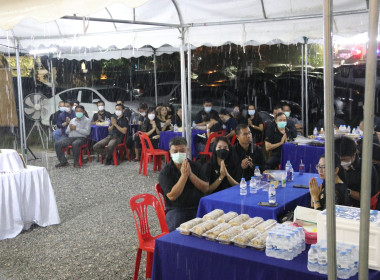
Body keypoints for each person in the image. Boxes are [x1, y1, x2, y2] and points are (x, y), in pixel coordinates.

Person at [158, 137, 208, 231]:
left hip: (197, 206)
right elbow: (172, 196)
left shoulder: (196, 166)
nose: (178, 154)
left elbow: (205, 188)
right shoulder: (166, 172)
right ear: (170, 153)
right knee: (177, 227)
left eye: (182, 151)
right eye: (175, 151)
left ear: (187, 151)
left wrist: (191, 175)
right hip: (176, 209)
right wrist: (184, 176)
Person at [335, 136, 379, 207]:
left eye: (344, 160)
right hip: (339, 202)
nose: (341, 163)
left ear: (354, 155)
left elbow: (368, 197)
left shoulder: (367, 168)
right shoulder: (335, 164)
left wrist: (346, 191)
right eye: (339, 160)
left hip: (360, 206)